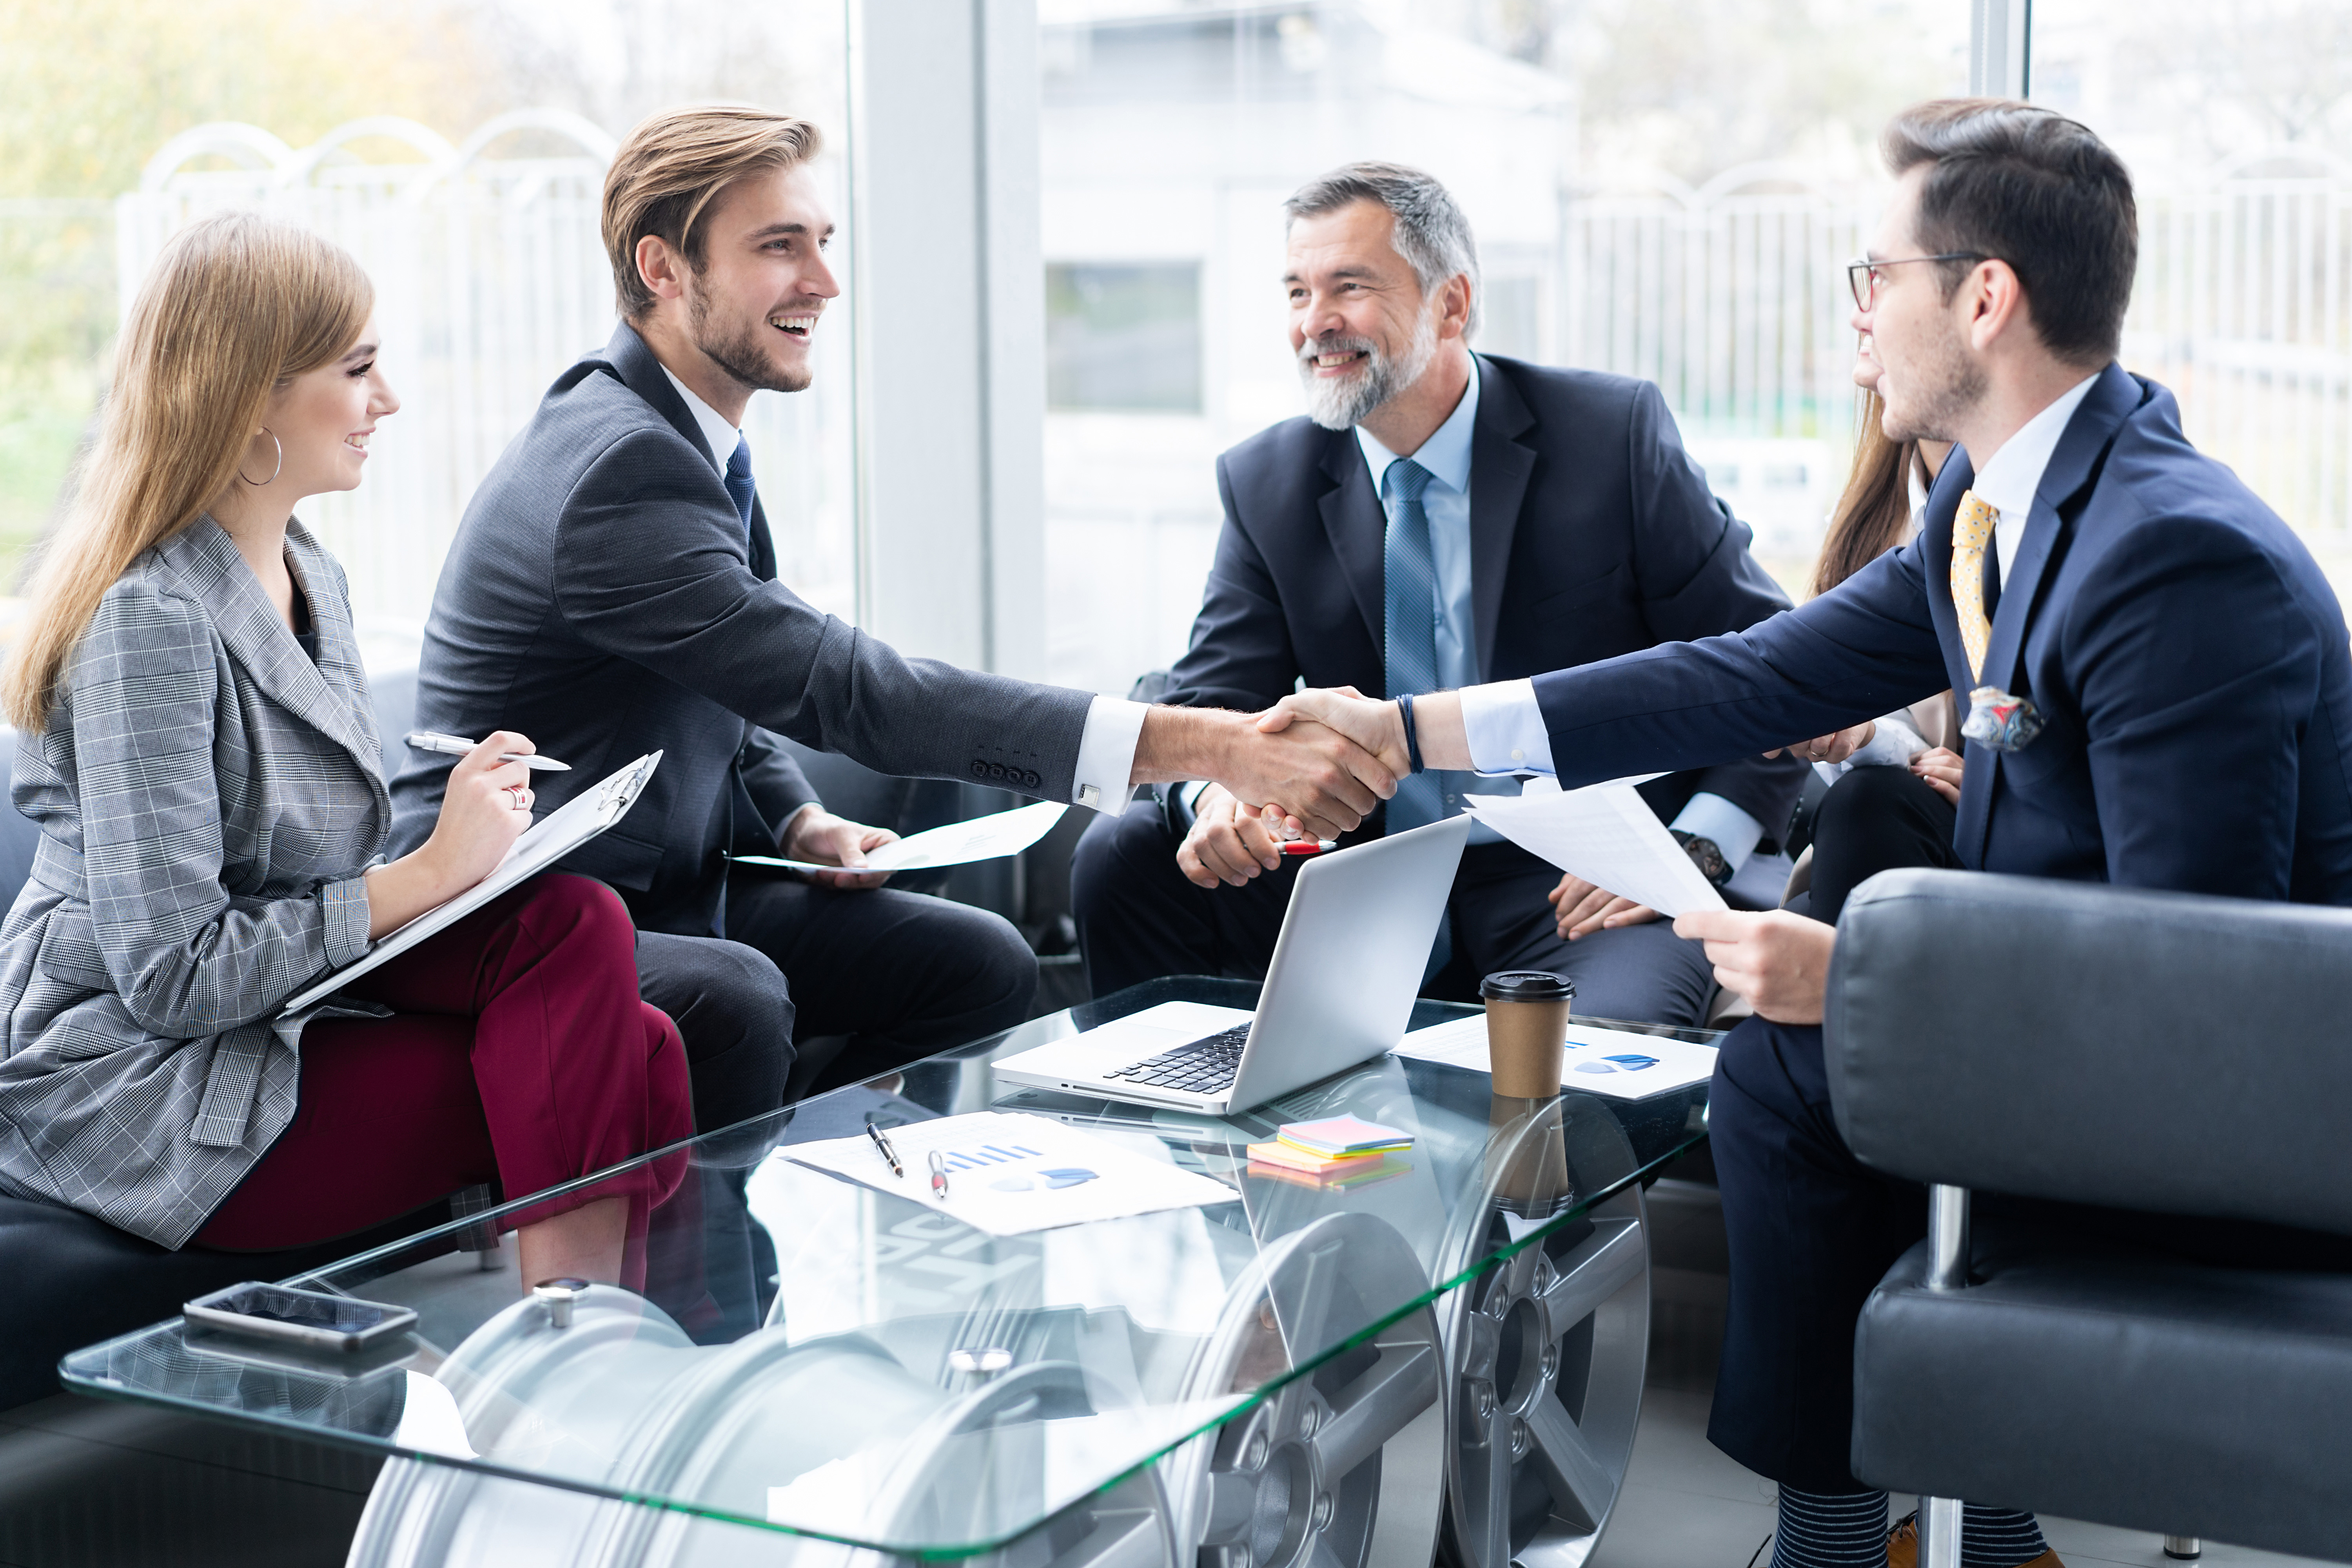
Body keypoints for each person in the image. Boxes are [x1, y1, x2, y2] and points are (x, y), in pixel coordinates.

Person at [1260, 100, 2352, 1568]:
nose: (1857, 323)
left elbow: (2200, 990)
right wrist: (1407, 732)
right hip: (2116, 1036)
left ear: (1985, 296)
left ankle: (1849, 1537)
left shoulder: (2173, 556)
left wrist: (1863, 981)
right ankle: (1908, 1526)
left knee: (1790, 1057)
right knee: (1815, 993)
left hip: (2243, 1131)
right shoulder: (1997, 501)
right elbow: (1750, 675)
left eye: (1874, 278)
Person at [389, 107, 1398, 1108]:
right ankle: (726, 1251)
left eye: (823, 242)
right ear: (664, 270)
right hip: (517, 913)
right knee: (737, 998)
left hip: (671, 891)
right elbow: (849, 691)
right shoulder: (620, 464)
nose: (824, 281)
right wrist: (1215, 746)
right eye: (779, 247)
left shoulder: (679, 431)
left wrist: (798, 816)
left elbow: (729, 679)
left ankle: (871, 1200)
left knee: (982, 965)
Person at [0, 213, 691, 1289]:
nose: (390, 399)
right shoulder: (148, 623)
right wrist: (425, 875)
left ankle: (600, 1369)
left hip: (275, 1011)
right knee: (637, 1058)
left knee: (578, 919)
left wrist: (471, 842)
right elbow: (172, 975)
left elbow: (305, 881)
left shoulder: (314, 578)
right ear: (248, 393)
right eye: (359, 367)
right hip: (139, 1075)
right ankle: (590, 1375)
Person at [1070, 162, 1804, 1024]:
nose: (1316, 323)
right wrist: (1217, 793)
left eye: (1349, 286)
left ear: (1452, 304)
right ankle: (1173, 1139)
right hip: (1358, 866)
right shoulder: (1268, 479)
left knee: (1589, 1078)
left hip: (1578, 876)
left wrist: (1687, 850)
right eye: (1298, 292)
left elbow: (1770, 665)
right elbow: (1209, 697)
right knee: (1125, 854)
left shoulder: (1612, 436)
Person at [1781, 376, 1965, 928]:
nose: (1864, 316)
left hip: (2001, 843)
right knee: (1865, 805)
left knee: (1869, 809)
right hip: (1885, 829)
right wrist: (1863, 734)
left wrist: (2003, 791)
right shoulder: (1872, 515)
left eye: (1883, 283)